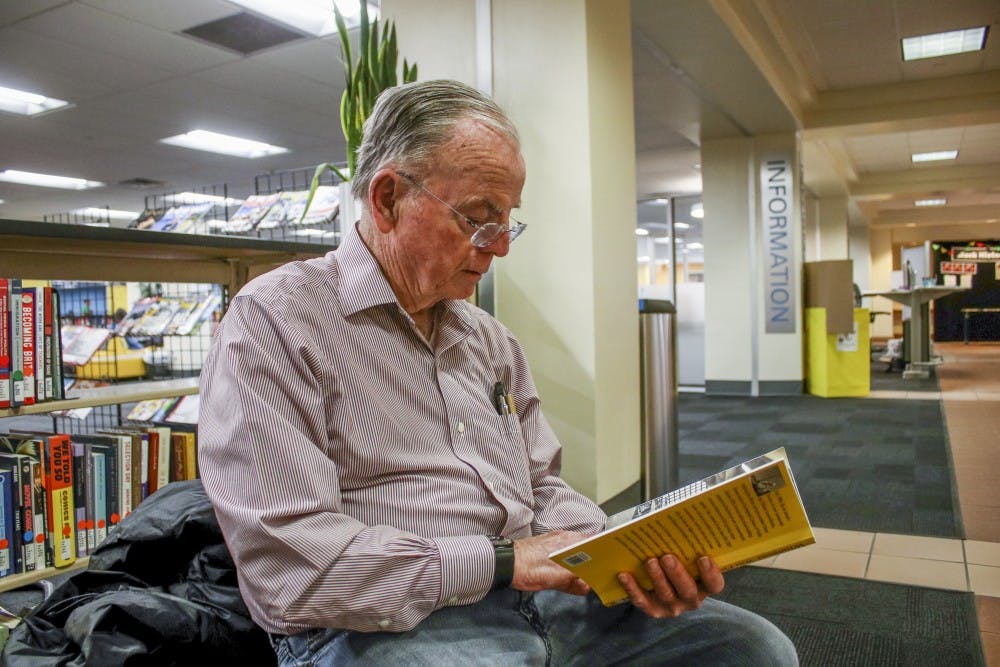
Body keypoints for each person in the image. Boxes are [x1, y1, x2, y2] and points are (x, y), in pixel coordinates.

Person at [198, 79, 797, 666]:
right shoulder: (277, 320)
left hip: (537, 597)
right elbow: (291, 565)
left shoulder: (489, 340)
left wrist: (615, 552)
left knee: (755, 649)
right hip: (384, 625)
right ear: (387, 200)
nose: (501, 246)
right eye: (480, 218)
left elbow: (541, 484)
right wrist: (502, 563)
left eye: (509, 220)